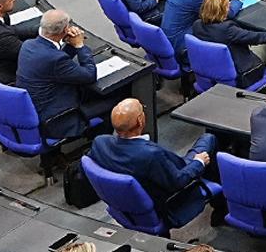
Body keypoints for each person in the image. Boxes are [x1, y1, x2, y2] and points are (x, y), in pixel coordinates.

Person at [87, 98, 219, 230]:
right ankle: (221, 206)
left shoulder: (99, 143)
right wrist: (199, 162)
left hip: (126, 202)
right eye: (142, 109)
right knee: (209, 139)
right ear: (140, 120)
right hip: (163, 201)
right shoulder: (150, 155)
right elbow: (177, 181)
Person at [17, 9, 114, 139]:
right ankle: (101, 144)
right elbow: (90, 75)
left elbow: (56, 63)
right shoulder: (54, 59)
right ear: (65, 30)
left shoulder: (28, 45)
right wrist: (80, 46)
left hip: (35, 108)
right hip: (57, 118)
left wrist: (69, 44)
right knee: (115, 99)